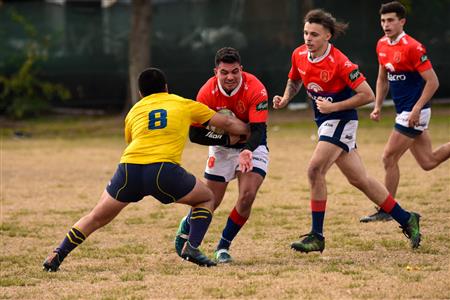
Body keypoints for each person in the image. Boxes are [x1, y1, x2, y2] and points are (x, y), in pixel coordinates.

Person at [42, 67, 252, 271]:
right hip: (162, 170)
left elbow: (131, 140)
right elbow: (225, 122)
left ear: (141, 93)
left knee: (96, 216)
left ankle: (58, 253)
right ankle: (192, 247)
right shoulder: (182, 103)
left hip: (128, 169)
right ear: (166, 87)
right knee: (206, 198)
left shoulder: (134, 111)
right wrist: (251, 130)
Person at [273, 9, 421, 253]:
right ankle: (406, 218)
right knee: (360, 180)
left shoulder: (340, 62)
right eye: (306, 33)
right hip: (325, 121)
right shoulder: (299, 54)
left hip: (342, 120)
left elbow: (367, 95)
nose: (308, 39)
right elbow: (295, 78)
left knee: (314, 169)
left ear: (328, 36)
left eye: (314, 35)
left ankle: (317, 236)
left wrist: (334, 106)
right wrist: (287, 97)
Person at [174, 47, 269, 263]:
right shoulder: (206, 93)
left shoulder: (256, 88)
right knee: (211, 201)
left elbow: (258, 130)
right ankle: (186, 225)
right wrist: (226, 140)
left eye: (235, 71)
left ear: (241, 70)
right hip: (222, 149)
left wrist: (246, 150)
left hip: (252, 146)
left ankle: (223, 246)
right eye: (224, 72)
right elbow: (195, 134)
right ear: (215, 71)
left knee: (247, 197)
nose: (230, 77)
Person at [360, 1, 450, 223]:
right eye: (383, 20)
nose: (386, 24)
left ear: (402, 21)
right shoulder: (381, 44)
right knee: (427, 162)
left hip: (414, 112)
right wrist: (378, 106)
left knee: (388, 157)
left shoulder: (412, 47)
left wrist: (417, 109)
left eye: (390, 20)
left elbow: (433, 82)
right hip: (404, 111)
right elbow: (382, 78)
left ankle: (387, 209)